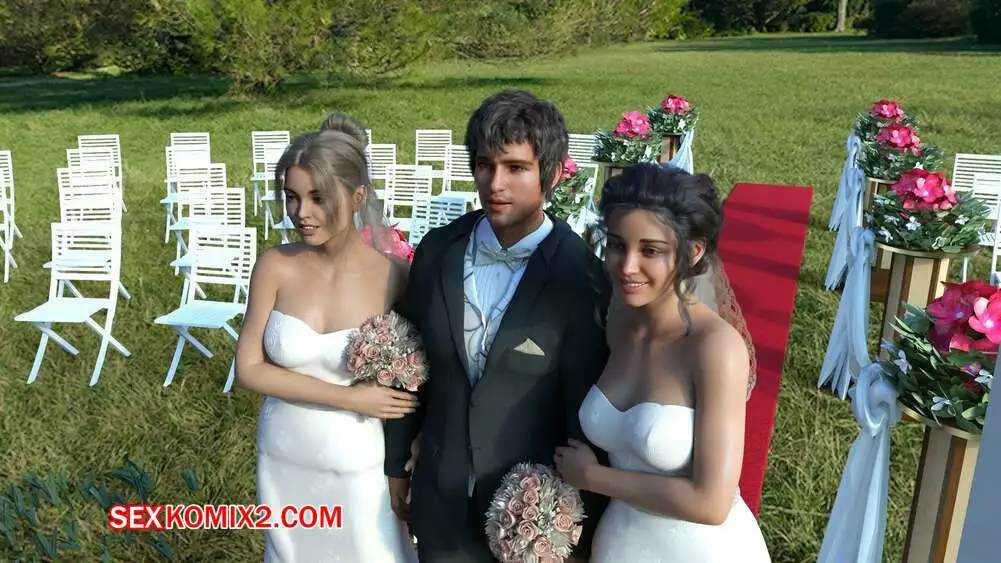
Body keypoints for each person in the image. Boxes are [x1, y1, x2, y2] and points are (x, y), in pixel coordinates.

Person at [383, 90, 610, 562]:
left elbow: (581, 413)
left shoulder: (580, 276)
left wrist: (574, 527)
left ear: (552, 174)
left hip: (529, 517)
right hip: (439, 499)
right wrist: (397, 463)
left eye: (515, 167)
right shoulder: (438, 251)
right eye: (484, 165)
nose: (495, 183)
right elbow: (411, 364)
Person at [554, 163, 770, 562]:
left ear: (694, 251)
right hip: (619, 543)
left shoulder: (716, 348)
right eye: (617, 245)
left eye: (650, 250)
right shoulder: (616, 321)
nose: (627, 266)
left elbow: (711, 503)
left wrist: (593, 477)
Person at [234, 119, 419, 562]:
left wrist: (409, 452)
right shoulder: (274, 266)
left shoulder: (394, 277)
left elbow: (417, 375)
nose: (301, 212)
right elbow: (249, 369)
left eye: (318, 198)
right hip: (283, 453)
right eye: (292, 197)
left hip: (357, 459)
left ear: (358, 197)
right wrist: (348, 398)